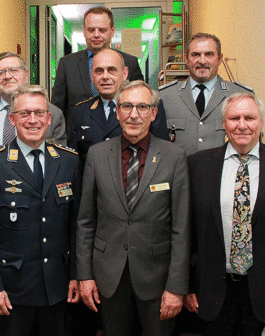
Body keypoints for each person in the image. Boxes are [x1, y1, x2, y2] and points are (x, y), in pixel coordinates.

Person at [186, 92, 265, 335]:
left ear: (261, 123)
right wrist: (188, 286)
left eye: (250, 118)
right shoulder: (198, 165)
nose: (242, 125)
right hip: (211, 291)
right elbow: (187, 232)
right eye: (235, 118)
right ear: (224, 124)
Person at [76, 80, 190, 336]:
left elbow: (181, 228)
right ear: (117, 112)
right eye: (126, 106)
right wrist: (84, 276)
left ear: (154, 113)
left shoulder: (174, 156)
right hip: (109, 276)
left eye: (142, 106)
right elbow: (86, 221)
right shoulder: (97, 154)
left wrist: (176, 286)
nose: (134, 114)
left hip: (157, 278)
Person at [0, 85, 81, 336]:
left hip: (56, 286)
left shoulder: (68, 161)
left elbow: (77, 227)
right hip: (10, 290)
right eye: (25, 113)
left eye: (40, 113)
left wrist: (77, 275)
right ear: (12, 119)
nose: (33, 120)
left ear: (49, 118)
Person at [68, 48, 167, 172]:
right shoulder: (81, 111)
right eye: (99, 71)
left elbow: (162, 153)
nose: (105, 77)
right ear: (92, 76)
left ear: (125, 73)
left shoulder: (148, 106)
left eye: (111, 70)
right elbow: (73, 162)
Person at [0, 52, 66, 161]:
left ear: (26, 75)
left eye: (14, 70)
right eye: (0, 73)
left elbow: (59, 160)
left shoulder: (53, 113)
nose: (7, 76)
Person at [158, 33, 253, 155]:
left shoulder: (241, 96)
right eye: (196, 55)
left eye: (209, 54)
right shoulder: (166, 97)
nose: (202, 61)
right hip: (181, 173)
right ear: (186, 59)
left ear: (219, 59)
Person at [52, 6, 144, 120]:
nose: (96, 35)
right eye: (91, 30)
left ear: (112, 31)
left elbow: (141, 102)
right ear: (84, 31)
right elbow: (57, 109)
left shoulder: (130, 62)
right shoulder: (67, 64)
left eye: (102, 30)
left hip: (119, 133)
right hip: (79, 134)